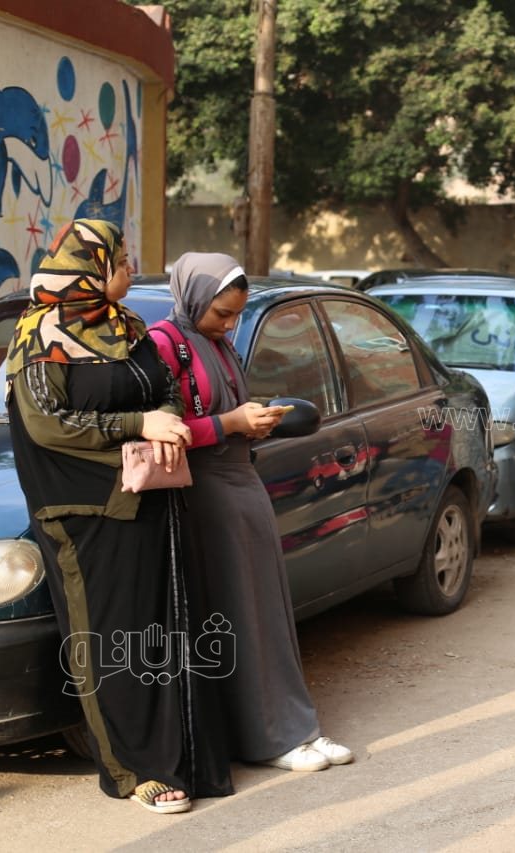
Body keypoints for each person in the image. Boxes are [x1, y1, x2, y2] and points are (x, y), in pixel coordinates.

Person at [4, 220, 232, 814]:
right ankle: (131, 770)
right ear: (93, 267)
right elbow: (48, 424)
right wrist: (140, 424)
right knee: (109, 637)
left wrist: (166, 421)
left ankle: (182, 757)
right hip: (85, 510)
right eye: (122, 260)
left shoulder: (128, 327)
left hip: (151, 495)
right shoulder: (39, 334)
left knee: (161, 629)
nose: (130, 269)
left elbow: (166, 388)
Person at [149, 252, 353, 773]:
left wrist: (255, 420)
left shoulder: (218, 344)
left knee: (267, 612)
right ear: (193, 297)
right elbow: (161, 430)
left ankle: (295, 727)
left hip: (242, 482)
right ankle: (268, 738)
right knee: (238, 613)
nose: (229, 324)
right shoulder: (162, 344)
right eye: (222, 313)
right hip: (205, 491)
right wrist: (231, 424)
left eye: (236, 315)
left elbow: (224, 412)